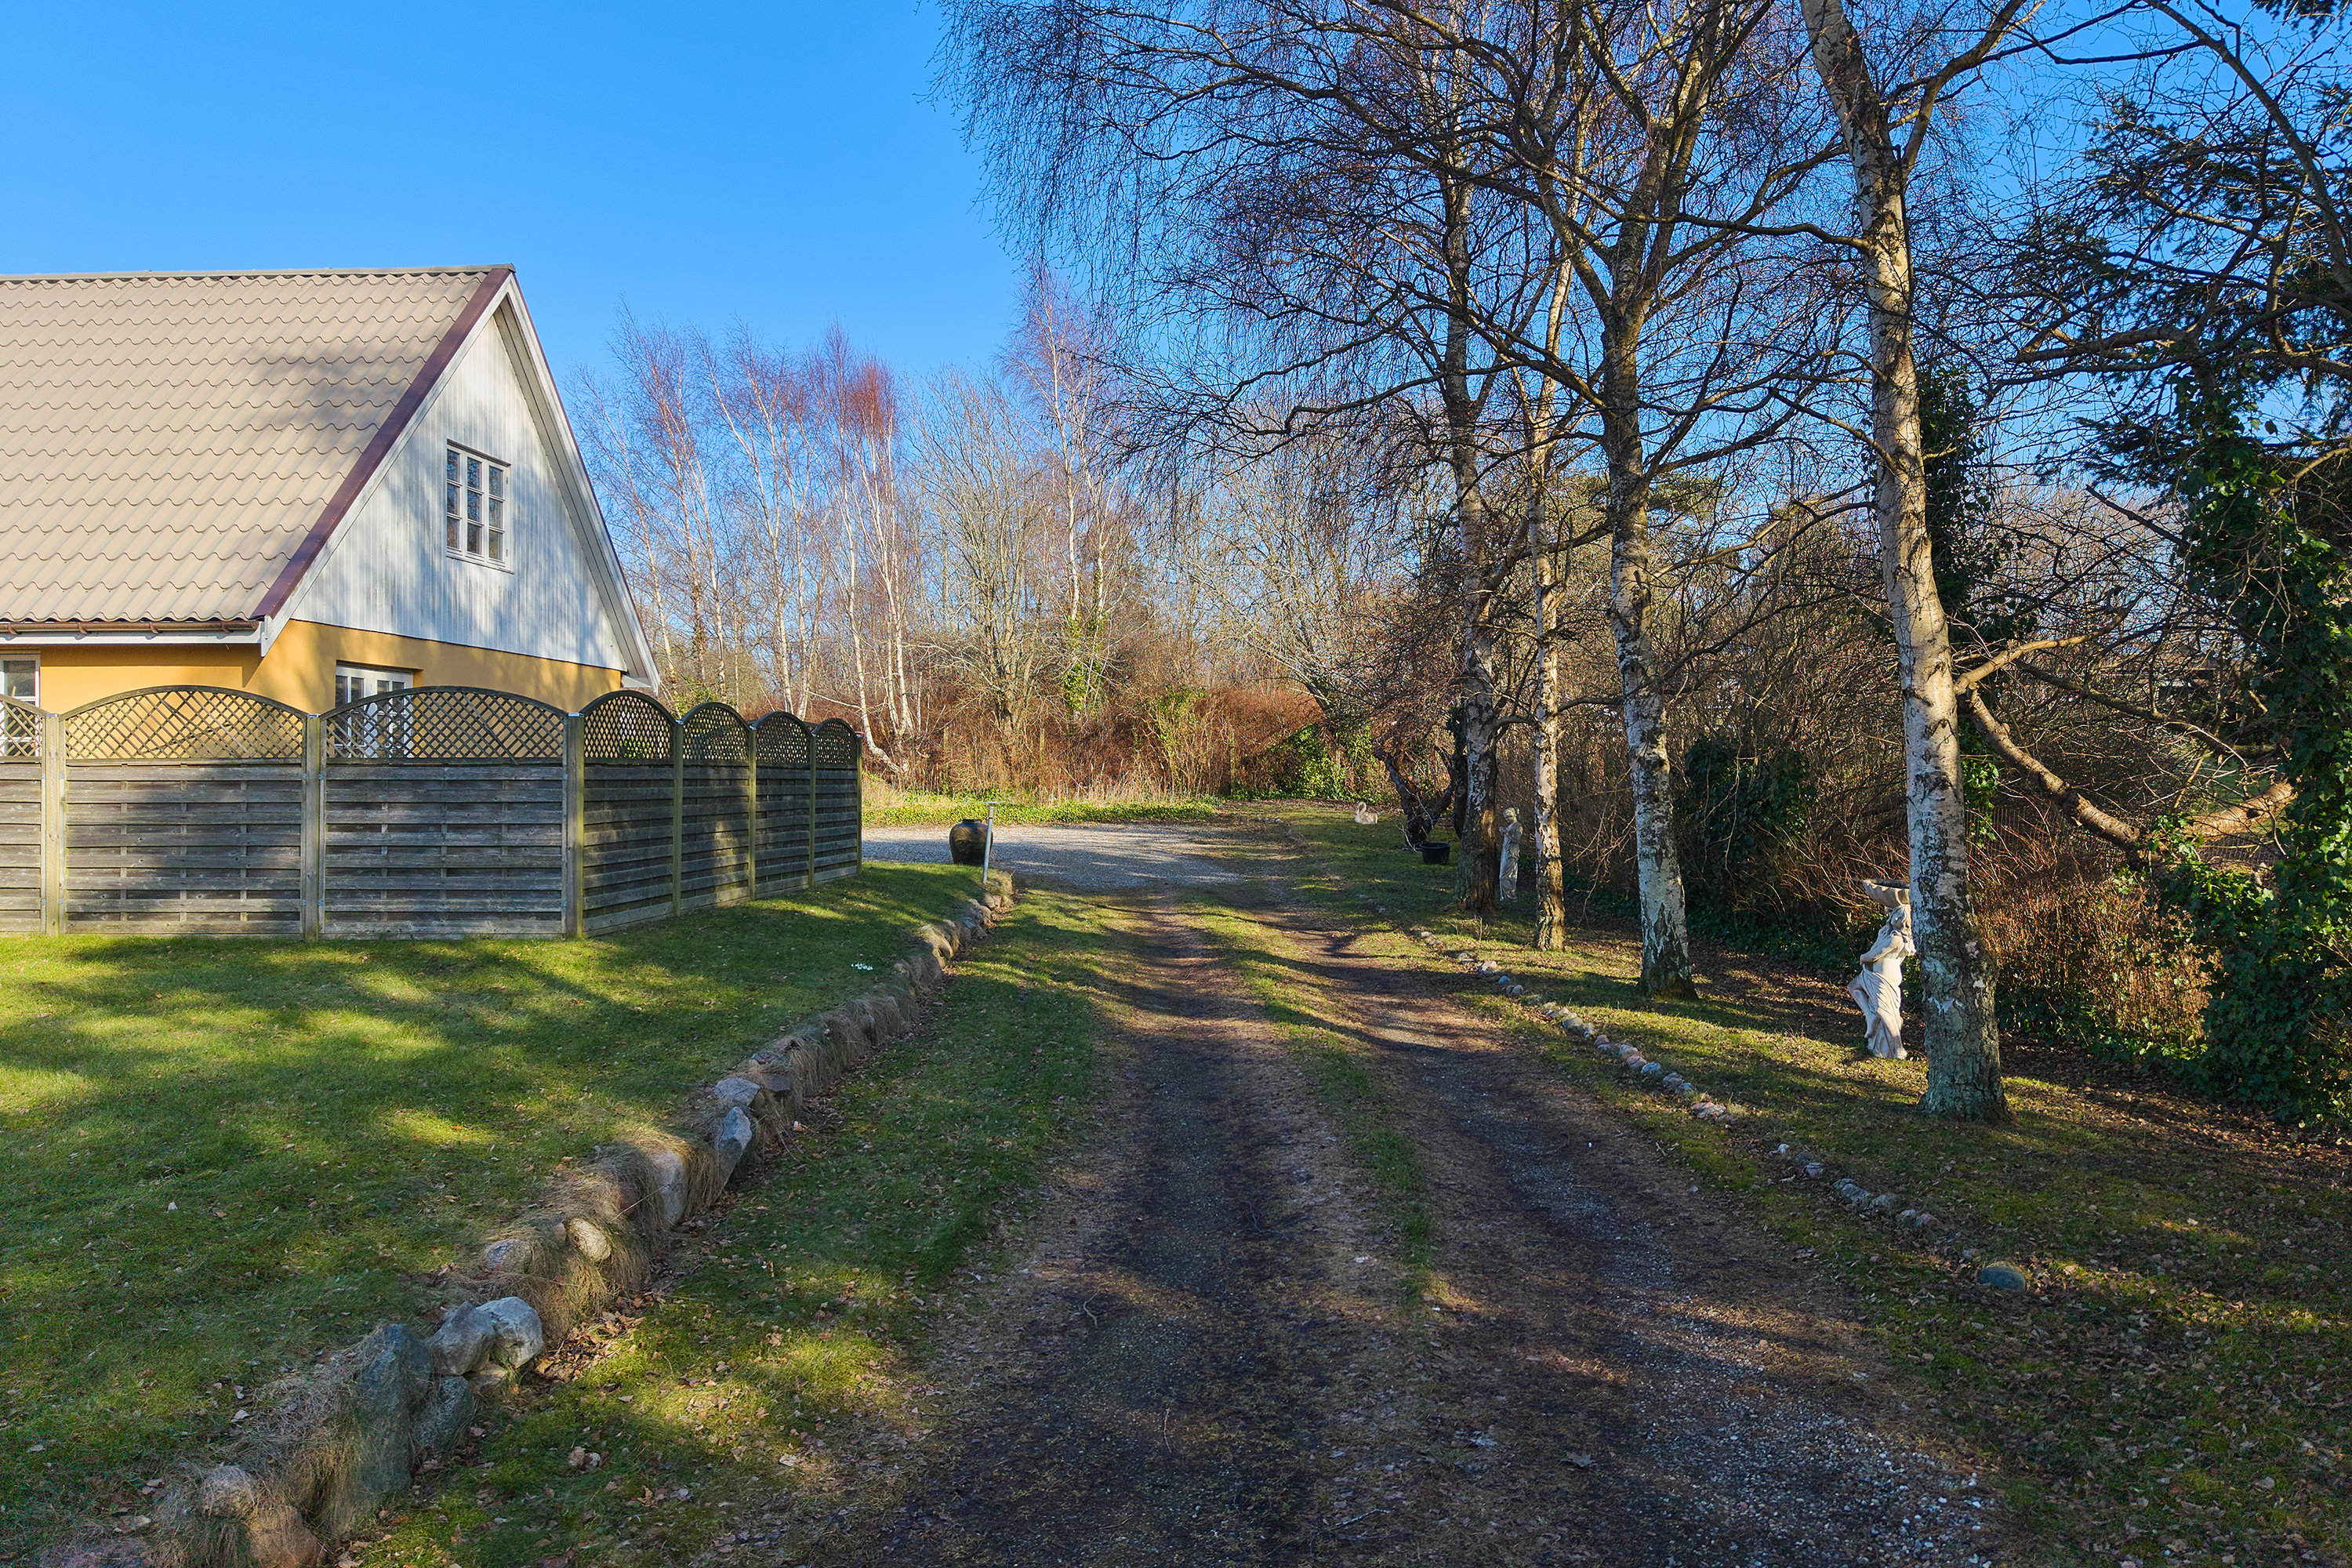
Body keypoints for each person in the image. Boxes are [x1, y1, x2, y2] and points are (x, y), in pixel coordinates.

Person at [1848, 880, 1912, 1058]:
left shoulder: (1896, 939)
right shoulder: (1889, 933)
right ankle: (1870, 1017)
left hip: (1884, 975)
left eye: (1898, 916)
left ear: (1904, 919)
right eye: (1894, 916)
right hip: (1874, 973)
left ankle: (1897, 1048)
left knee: (1885, 1011)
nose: (1895, 919)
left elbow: (1874, 955)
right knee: (1854, 986)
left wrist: (1863, 958)